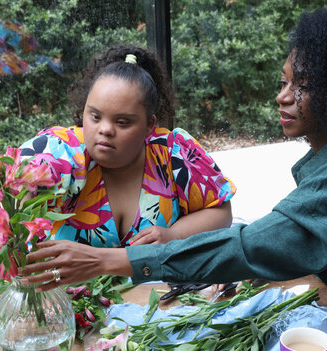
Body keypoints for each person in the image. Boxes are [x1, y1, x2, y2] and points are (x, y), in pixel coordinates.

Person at [21, 9, 327, 351]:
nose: (283, 97)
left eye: (301, 86)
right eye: (284, 81)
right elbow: (285, 241)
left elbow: (255, 243)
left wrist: (112, 260)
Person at [19, 44, 235, 249]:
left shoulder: (174, 153)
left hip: (158, 287)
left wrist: (173, 235)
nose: (105, 129)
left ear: (149, 124)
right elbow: (13, 196)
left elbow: (220, 212)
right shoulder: (60, 150)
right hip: (67, 287)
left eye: (122, 122)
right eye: (95, 116)